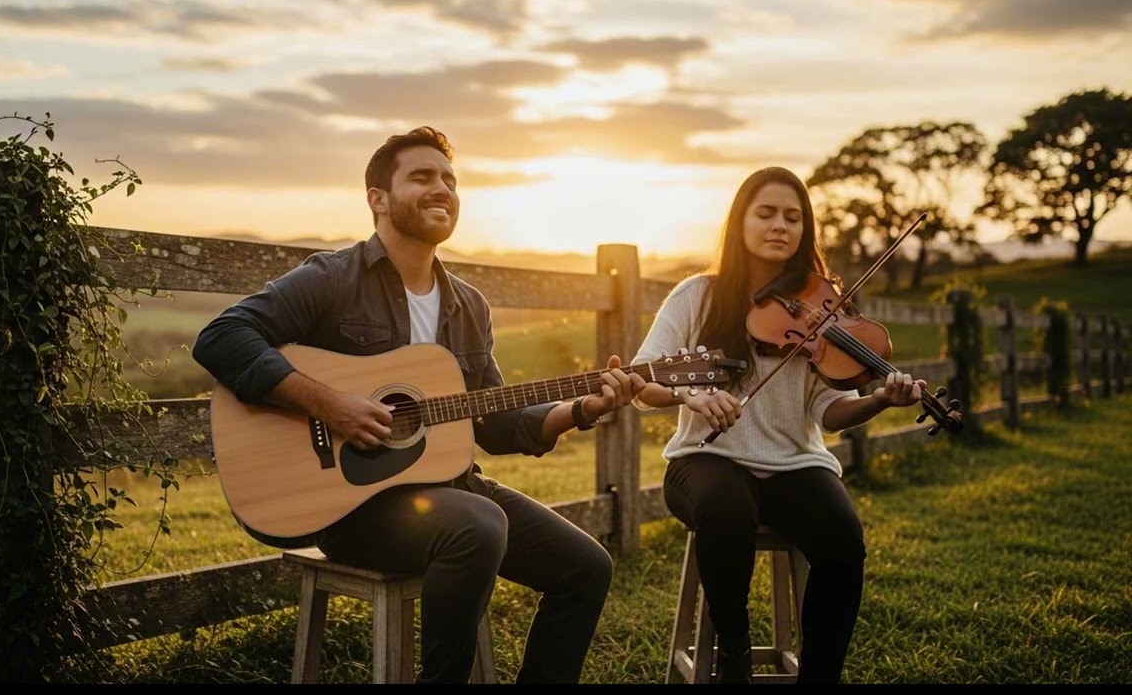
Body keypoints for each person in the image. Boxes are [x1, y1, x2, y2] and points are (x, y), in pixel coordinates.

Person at [192, 126, 645, 684]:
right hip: (353, 506)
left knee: (586, 567)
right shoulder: (332, 279)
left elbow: (497, 423)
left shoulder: (467, 305)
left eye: (450, 179)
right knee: (478, 525)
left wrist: (580, 411)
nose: (443, 189)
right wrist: (330, 404)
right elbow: (222, 337)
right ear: (378, 199)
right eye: (423, 177)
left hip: (453, 491)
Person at [631, 166, 925, 684]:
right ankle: (735, 654)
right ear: (740, 222)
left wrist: (878, 401)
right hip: (705, 462)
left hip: (795, 464)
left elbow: (829, 411)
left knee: (842, 536)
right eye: (765, 213)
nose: (779, 226)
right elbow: (641, 380)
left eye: (793, 217)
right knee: (726, 506)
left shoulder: (823, 307)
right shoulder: (697, 296)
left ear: (805, 230)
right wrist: (692, 394)